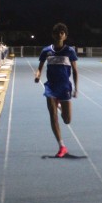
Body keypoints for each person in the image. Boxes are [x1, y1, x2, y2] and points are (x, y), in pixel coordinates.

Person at [35, 23, 79, 158]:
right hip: (51, 87)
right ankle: (62, 146)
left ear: (65, 36)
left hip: (65, 87)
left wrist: (76, 89)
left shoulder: (69, 51)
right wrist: (37, 75)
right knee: (53, 116)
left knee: (67, 120)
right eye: (57, 33)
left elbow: (75, 71)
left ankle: (59, 105)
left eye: (62, 33)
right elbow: (40, 68)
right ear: (53, 35)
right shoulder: (46, 51)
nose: (59, 35)